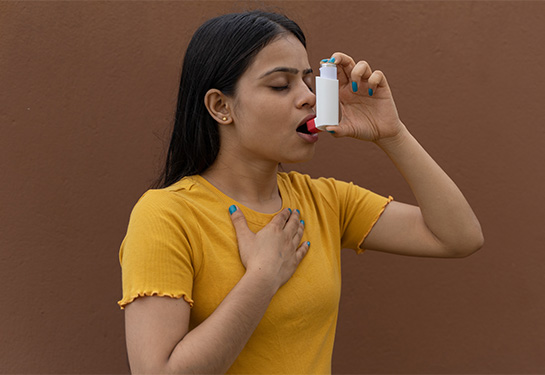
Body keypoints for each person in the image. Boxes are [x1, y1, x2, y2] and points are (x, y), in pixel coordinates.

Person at [117, 10, 484, 374]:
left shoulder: (325, 202)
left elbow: (458, 237)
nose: (308, 97)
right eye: (281, 85)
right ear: (221, 106)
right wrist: (262, 278)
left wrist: (392, 134)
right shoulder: (166, 215)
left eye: (309, 82)